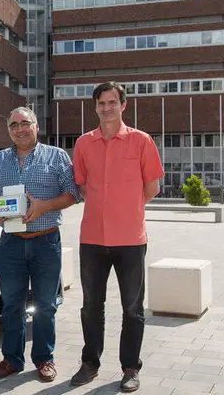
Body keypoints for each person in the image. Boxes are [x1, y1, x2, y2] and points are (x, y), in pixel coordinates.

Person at [70, 82, 164, 393]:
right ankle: (90, 363)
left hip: (131, 239)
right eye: (101, 103)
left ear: (123, 105)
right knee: (91, 305)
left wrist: (127, 209)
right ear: (95, 107)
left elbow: (152, 187)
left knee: (133, 308)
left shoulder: (141, 141)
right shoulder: (83, 144)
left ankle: (130, 367)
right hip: (93, 238)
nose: (107, 108)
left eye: (112, 102)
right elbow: (82, 185)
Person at [0, 106, 80, 383]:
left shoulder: (56, 156)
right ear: (9, 131)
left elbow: (73, 193)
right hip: (11, 243)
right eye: (14, 125)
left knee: (45, 304)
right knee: (11, 304)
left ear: (36, 126)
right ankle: (12, 359)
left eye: (25, 123)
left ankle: (44, 358)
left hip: (46, 241)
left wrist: (44, 206)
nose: (20, 129)